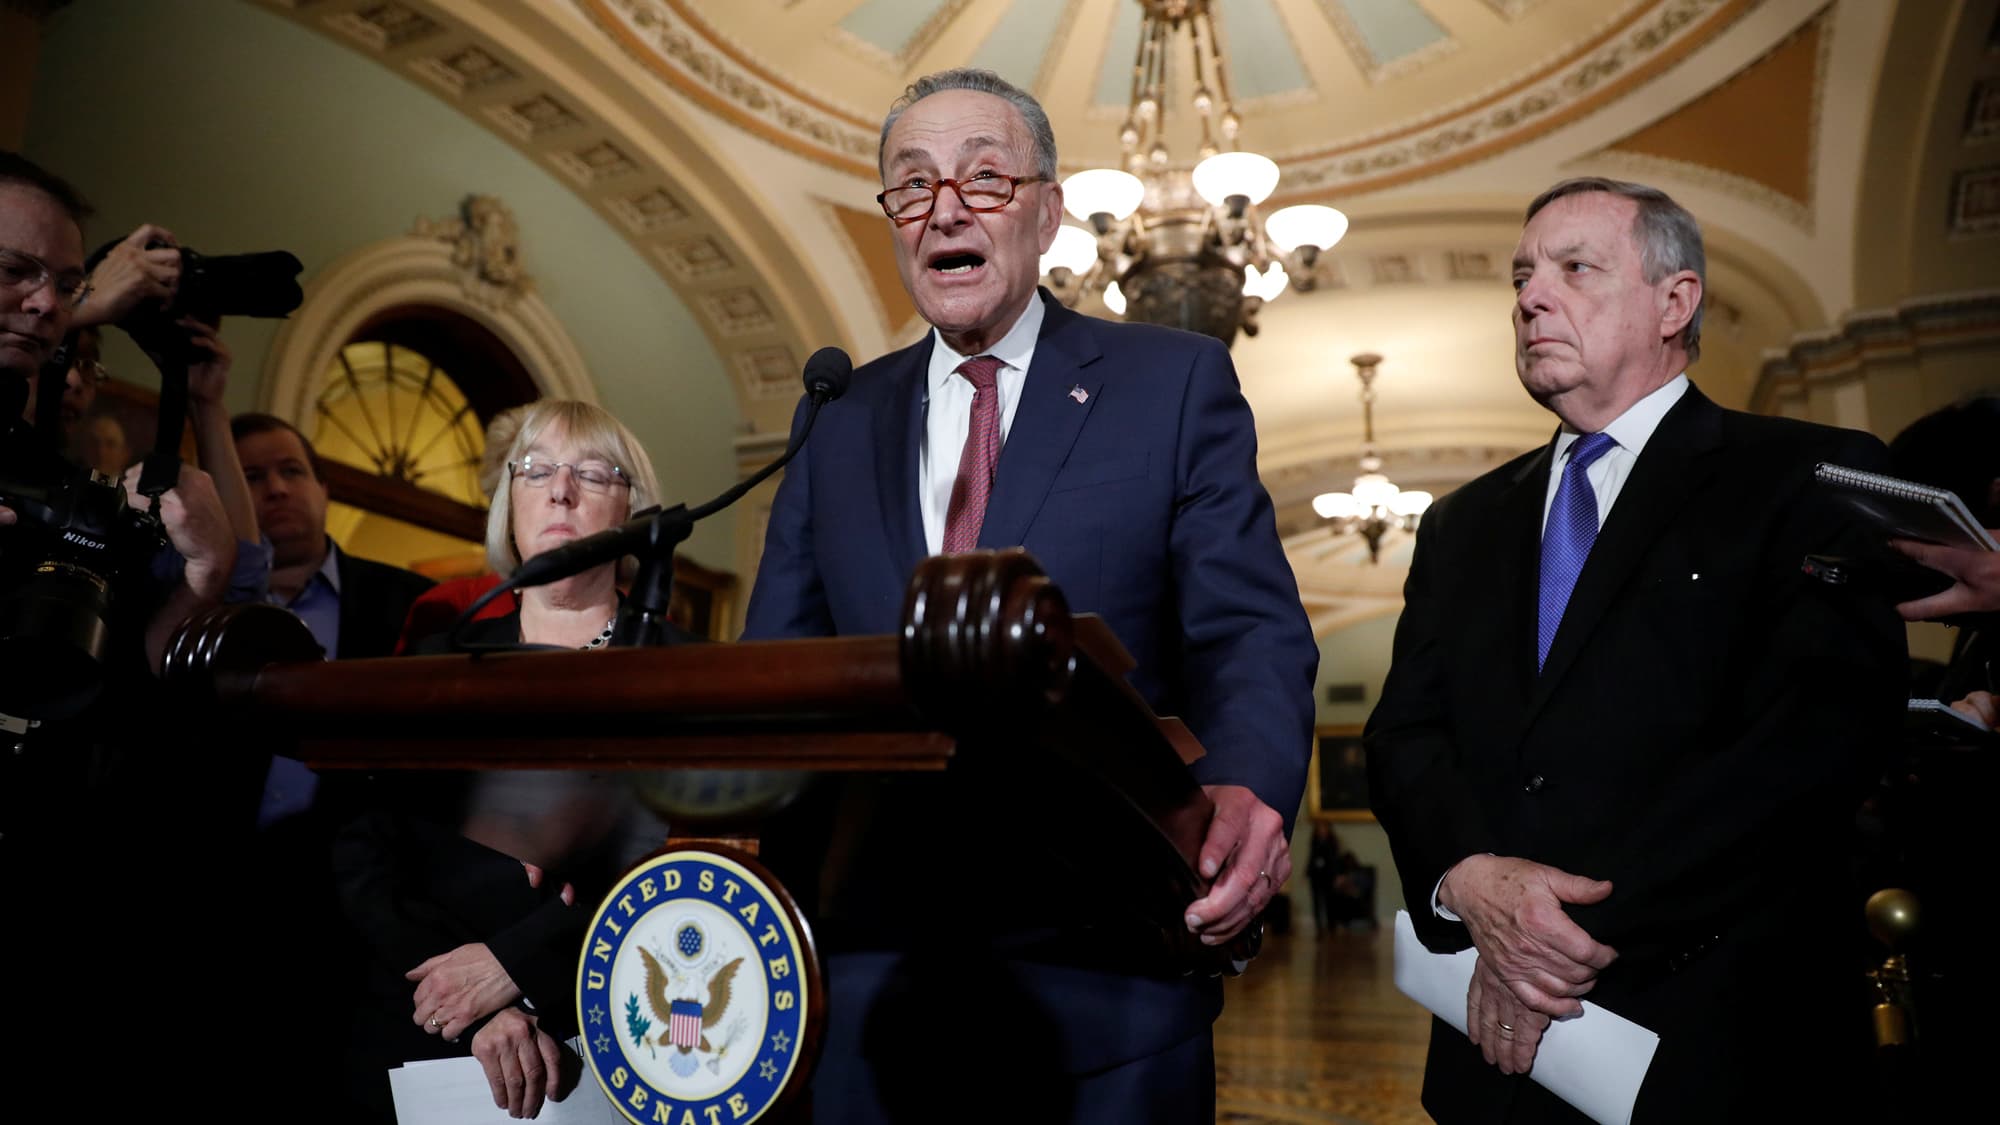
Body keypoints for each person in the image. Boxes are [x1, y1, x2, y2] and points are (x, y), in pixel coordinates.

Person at [742, 68, 1317, 1123]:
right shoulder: (833, 419)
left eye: (985, 179)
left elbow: (1245, 634)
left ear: (1049, 211)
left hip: (1107, 977)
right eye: (911, 187)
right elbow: (780, 674)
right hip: (874, 990)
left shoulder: (1170, 382)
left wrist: (1248, 791)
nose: (944, 209)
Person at [1365, 176, 1906, 1123]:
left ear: (1675, 301)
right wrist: (1469, 883)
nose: (1532, 296)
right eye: (1525, 274)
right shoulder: (1459, 524)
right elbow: (1405, 736)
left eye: (1576, 268)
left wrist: (1547, 939)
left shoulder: (1806, 479)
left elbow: (1812, 749)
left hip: (1722, 1039)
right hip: (1494, 1058)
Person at [337, 399, 680, 1121]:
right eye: (538, 470)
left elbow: (682, 866)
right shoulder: (437, 665)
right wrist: (473, 1004)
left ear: (634, 510)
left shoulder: (687, 673)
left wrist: (517, 967)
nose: (561, 489)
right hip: (426, 1028)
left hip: (618, 1025)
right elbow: (367, 857)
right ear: (509, 502)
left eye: (592, 471)